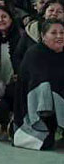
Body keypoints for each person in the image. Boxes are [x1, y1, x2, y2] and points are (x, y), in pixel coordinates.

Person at [13, 19, 64, 150]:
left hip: (59, 104)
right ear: (43, 36)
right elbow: (41, 87)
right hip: (37, 109)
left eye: (62, 32)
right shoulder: (35, 53)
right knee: (45, 143)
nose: (59, 36)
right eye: (54, 33)